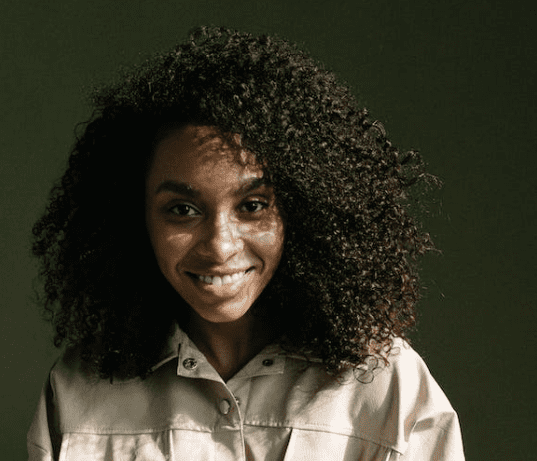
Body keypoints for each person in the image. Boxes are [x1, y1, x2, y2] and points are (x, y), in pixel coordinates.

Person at [27, 26, 464, 460]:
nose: (220, 246)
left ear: (304, 210)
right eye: (182, 209)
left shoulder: (389, 389)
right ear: (132, 216)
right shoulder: (77, 393)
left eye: (253, 206)